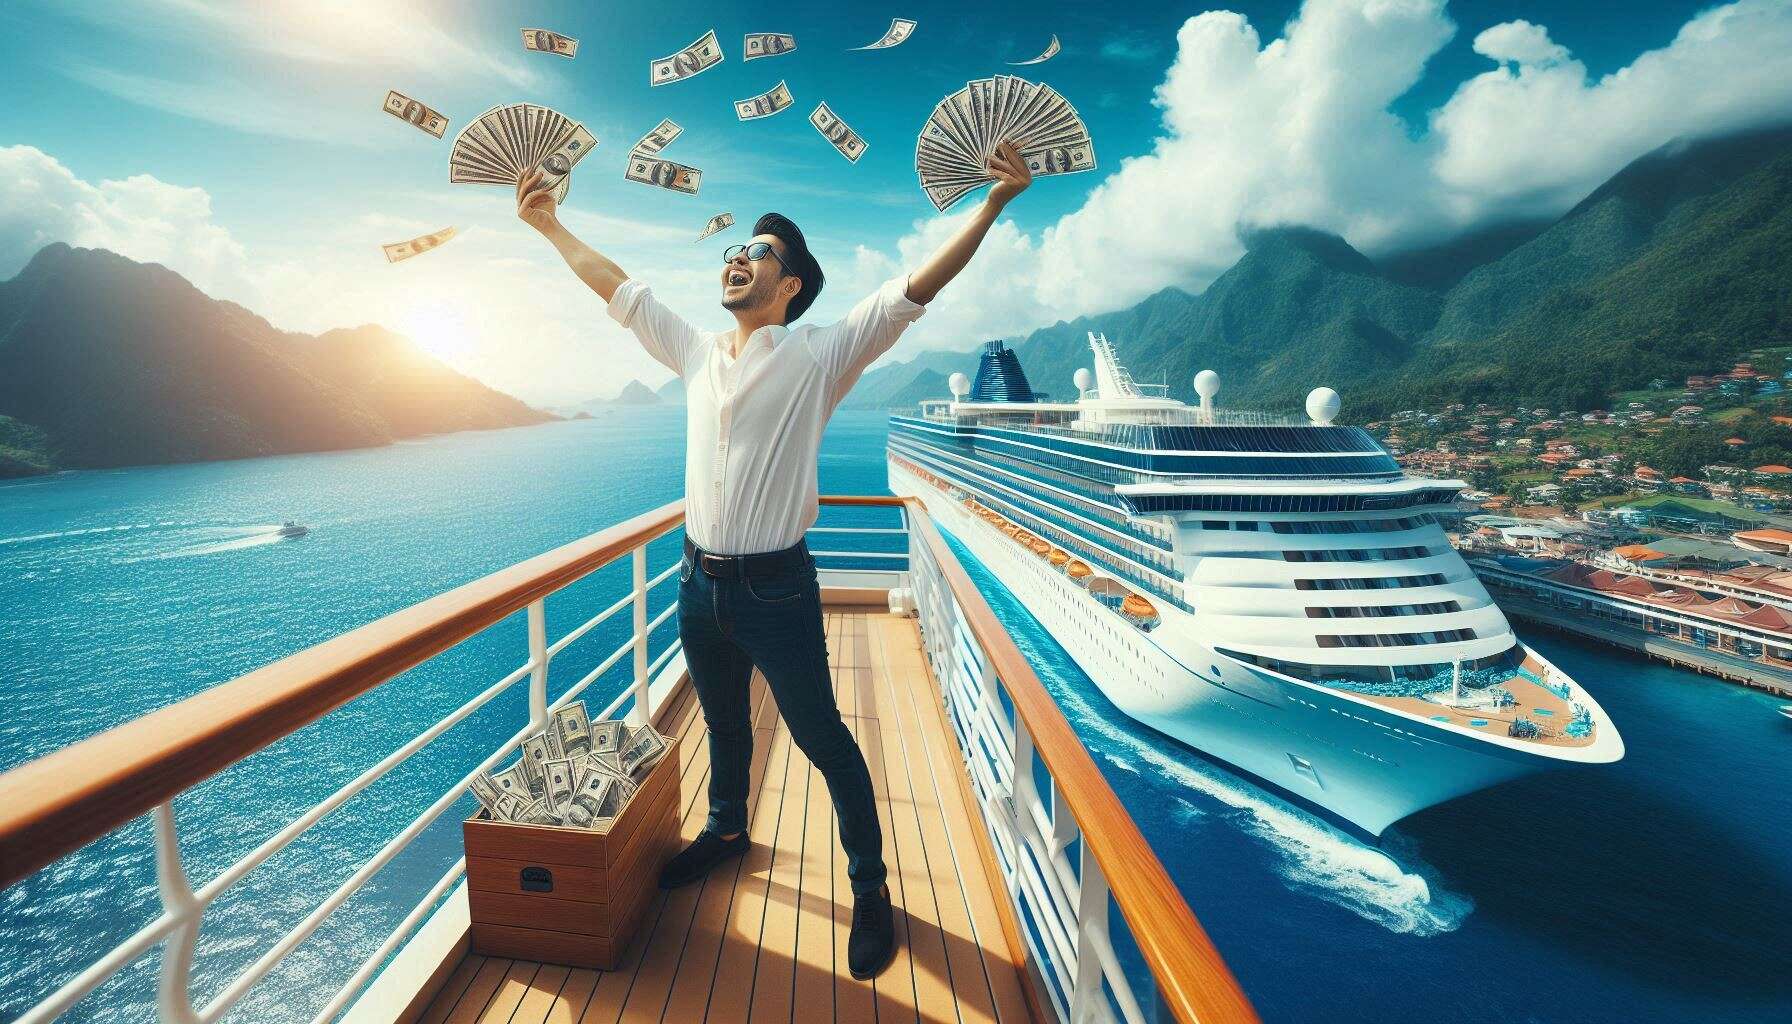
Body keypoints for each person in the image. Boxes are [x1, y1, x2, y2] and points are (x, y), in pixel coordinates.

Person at [515, 141, 1032, 980]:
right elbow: (617, 287)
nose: (736, 260)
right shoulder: (692, 352)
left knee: (823, 736)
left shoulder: (818, 355)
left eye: (755, 253)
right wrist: (547, 223)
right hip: (696, 581)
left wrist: (994, 202)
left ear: (789, 286)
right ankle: (726, 831)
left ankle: (870, 889)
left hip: (775, 590)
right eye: (733, 251)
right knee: (721, 722)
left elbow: (916, 288)